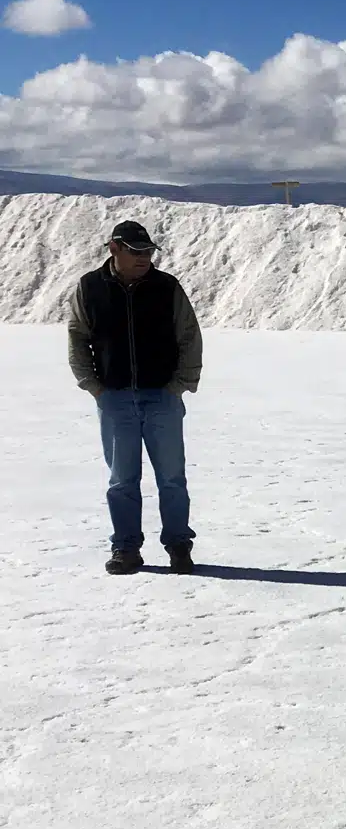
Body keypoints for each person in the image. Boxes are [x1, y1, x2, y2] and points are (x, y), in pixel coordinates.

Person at [67, 219, 203, 574]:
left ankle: (178, 546)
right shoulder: (90, 287)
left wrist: (180, 384)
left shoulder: (166, 287)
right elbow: (77, 337)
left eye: (148, 252)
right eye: (136, 251)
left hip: (162, 397)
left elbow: (189, 335)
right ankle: (126, 549)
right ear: (115, 249)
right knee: (122, 480)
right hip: (114, 399)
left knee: (172, 478)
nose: (145, 258)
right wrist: (93, 386)